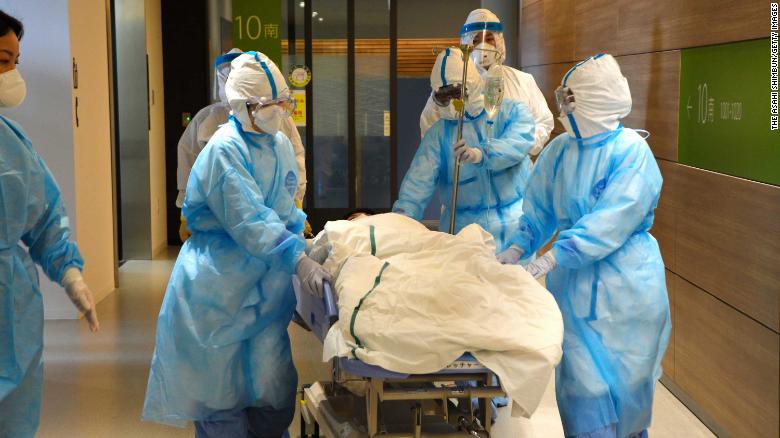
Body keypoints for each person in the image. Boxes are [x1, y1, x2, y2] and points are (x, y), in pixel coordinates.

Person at [142, 52, 328, 437]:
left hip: (263, 290)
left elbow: (281, 209)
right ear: (243, 107)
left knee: (272, 393)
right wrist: (297, 258)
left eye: (282, 103)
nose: (278, 112)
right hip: (217, 290)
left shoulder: (276, 144)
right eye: (268, 105)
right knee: (220, 398)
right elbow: (251, 223)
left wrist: (306, 242)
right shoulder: (223, 150)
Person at [497, 54, 670, 438]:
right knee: (581, 391)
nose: (562, 109)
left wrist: (553, 257)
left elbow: (611, 221)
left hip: (628, 292)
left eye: (569, 100)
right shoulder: (560, 151)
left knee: (627, 390)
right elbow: (538, 210)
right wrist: (517, 248)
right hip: (573, 292)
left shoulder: (631, 153)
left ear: (597, 101)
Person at [0, 10, 100, 437]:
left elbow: (43, 217)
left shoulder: (11, 142)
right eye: (4, 59)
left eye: (14, 62)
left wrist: (71, 275)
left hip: (11, 309)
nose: (12, 74)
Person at [393, 47, 536, 253]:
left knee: (513, 281)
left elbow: (518, 142)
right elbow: (418, 181)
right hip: (463, 233)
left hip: (513, 228)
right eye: (443, 96)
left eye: (456, 92)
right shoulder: (439, 134)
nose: (452, 102)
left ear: (473, 84)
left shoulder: (509, 112)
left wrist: (482, 154)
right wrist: (400, 221)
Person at [176, 49, 309, 242]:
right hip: (221, 232)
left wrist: (296, 206)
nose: (273, 113)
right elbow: (189, 162)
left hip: (269, 235)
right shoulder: (219, 139)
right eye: (263, 106)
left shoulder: (280, 138)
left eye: (279, 103)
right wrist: (184, 208)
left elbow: (295, 163)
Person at [419, 8, 553, 157]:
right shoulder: (452, 86)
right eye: (475, 40)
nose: (483, 46)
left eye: (489, 38)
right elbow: (429, 127)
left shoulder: (523, 81)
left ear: (499, 41)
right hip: (467, 174)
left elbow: (543, 122)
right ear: (466, 45)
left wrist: (516, 148)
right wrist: (454, 156)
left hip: (513, 173)